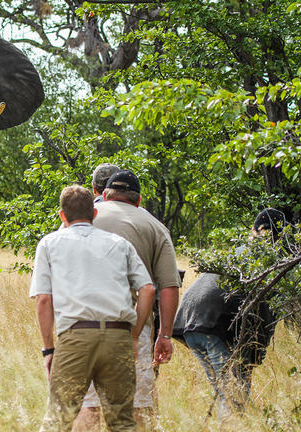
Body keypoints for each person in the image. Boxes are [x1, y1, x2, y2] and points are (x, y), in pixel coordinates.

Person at [30, 185, 155, 432]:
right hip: (118, 336)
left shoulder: (49, 243)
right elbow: (148, 290)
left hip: (76, 337)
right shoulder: (120, 244)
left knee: (58, 419)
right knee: (122, 422)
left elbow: (43, 300)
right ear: (94, 214)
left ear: (62, 215)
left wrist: (48, 349)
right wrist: (133, 335)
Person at [74, 170, 181, 431]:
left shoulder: (82, 221)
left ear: (105, 195)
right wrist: (165, 335)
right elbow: (168, 287)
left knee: (89, 406)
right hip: (133, 329)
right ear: (138, 200)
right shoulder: (155, 227)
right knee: (138, 407)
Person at [172, 208, 285, 419]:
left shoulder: (238, 250)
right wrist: (253, 359)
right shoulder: (269, 261)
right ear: (281, 238)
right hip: (210, 325)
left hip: (188, 321)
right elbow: (266, 318)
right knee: (234, 395)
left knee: (226, 390)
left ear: (252, 229)